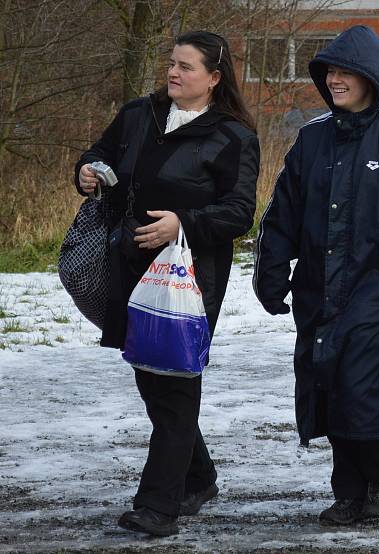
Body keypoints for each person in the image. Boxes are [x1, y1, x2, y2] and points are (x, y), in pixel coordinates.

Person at [252, 25, 379, 526]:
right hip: (320, 287)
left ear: (371, 77)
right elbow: (281, 215)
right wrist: (271, 276)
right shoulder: (312, 138)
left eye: (346, 72)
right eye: (330, 72)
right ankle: (348, 489)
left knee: (364, 385)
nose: (336, 80)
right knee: (328, 382)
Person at [75, 31, 259, 536]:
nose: (173, 73)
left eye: (186, 66)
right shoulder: (140, 114)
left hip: (190, 279)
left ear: (214, 78)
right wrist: (88, 171)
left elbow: (240, 212)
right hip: (129, 269)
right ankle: (197, 476)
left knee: (175, 385)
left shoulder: (233, 137)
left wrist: (184, 222)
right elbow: (102, 152)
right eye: (171, 63)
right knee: (151, 381)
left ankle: (160, 506)